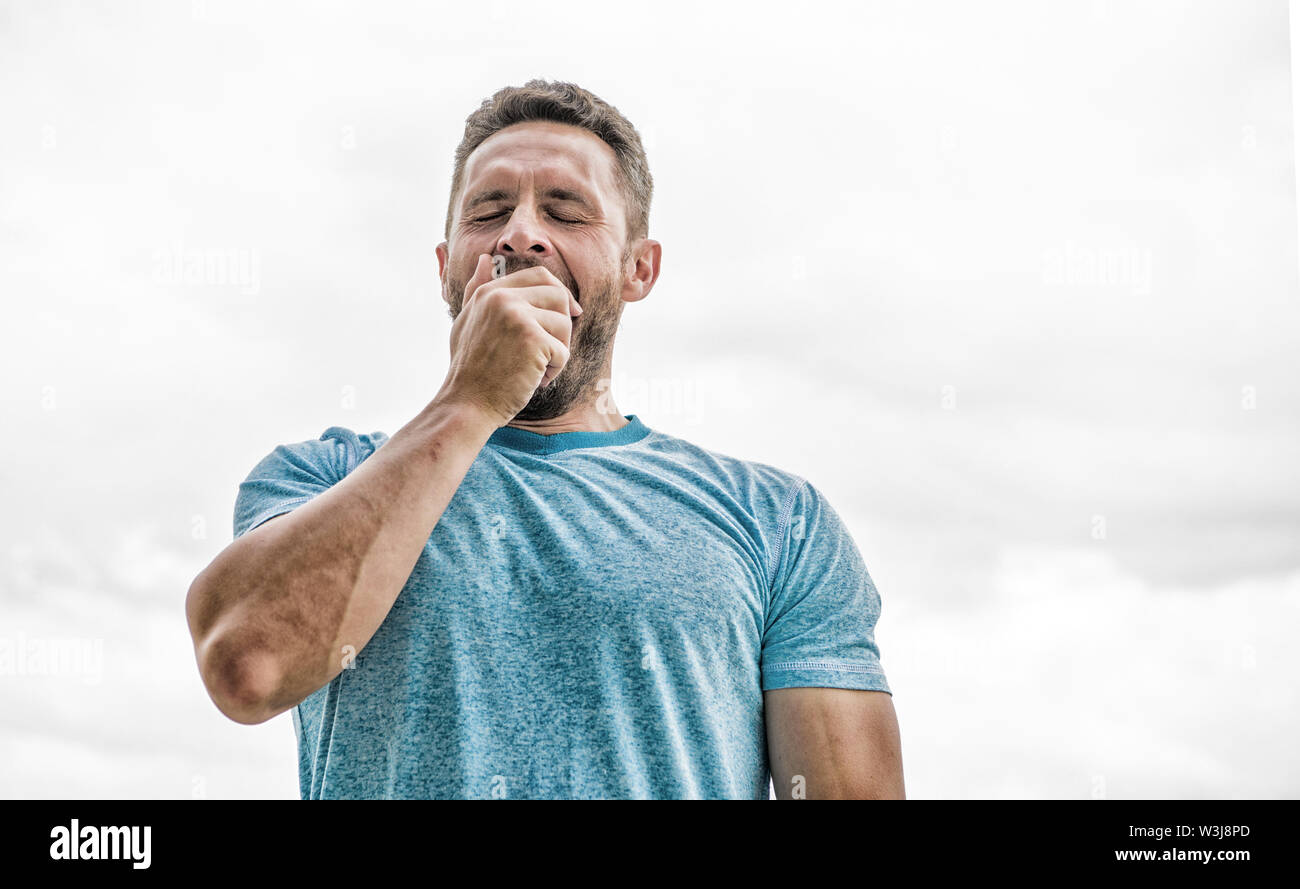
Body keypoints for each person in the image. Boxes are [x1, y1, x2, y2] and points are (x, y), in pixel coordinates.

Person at [185, 79, 905, 800]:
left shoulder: (781, 520)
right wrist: (470, 399)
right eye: (490, 210)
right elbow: (248, 667)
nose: (521, 233)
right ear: (447, 268)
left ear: (638, 268)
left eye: (566, 210)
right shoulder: (324, 477)